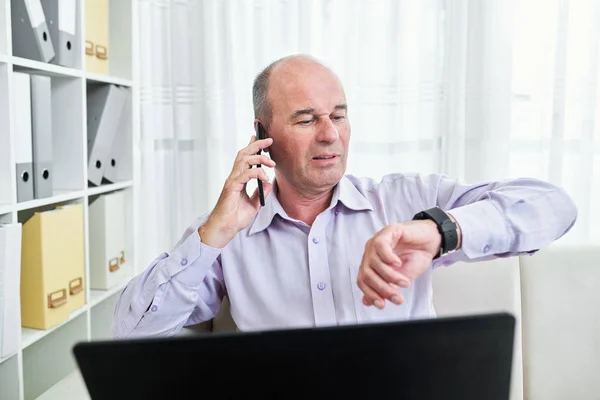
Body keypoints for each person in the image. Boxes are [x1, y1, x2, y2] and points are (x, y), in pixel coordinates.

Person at [112, 54, 577, 338]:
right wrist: (212, 234)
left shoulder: (404, 200)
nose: (330, 135)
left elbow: (553, 207)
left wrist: (440, 231)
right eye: (305, 118)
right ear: (262, 134)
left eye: (339, 115)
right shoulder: (229, 231)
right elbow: (131, 334)